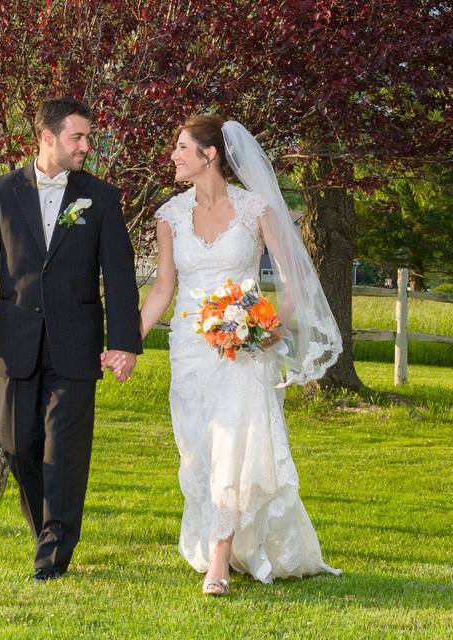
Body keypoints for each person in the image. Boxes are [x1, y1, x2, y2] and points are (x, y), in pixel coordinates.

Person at [125, 114, 342, 595]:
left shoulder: (256, 209)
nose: (174, 156)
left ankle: (220, 560)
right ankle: (220, 540)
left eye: (182, 147)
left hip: (242, 351)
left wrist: (272, 326)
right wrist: (129, 341)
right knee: (197, 450)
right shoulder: (170, 216)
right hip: (189, 350)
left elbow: (293, 280)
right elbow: (163, 289)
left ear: (210, 155)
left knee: (233, 449)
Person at [0, 97, 143, 581]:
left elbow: (118, 276)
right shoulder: (1, 192)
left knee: (65, 453)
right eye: (77, 137)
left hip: (77, 346)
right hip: (15, 343)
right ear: (46, 138)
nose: (86, 146)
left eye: (88, 137)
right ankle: (47, 532)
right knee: (19, 448)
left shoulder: (101, 197)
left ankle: (53, 557)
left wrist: (123, 343)